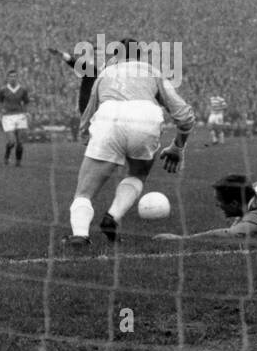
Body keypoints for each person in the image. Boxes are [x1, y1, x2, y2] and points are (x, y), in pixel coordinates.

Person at [63, 38, 195, 249]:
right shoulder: (151, 71)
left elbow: (87, 116)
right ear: (140, 54)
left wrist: (89, 140)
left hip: (109, 117)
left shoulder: (104, 74)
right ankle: (112, 216)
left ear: (115, 55)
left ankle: (80, 234)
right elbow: (184, 116)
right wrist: (178, 147)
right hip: (145, 116)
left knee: (84, 191)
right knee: (137, 174)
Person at [0, 68, 31, 166]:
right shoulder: (3, 90)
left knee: (20, 142)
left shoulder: (23, 89)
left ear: (17, 78)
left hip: (20, 116)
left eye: (15, 76)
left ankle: (18, 162)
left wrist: (27, 112)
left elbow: (26, 102)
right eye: (11, 76)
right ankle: (6, 156)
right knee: (11, 141)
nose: (13, 78)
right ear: (7, 78)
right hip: (8, 117)